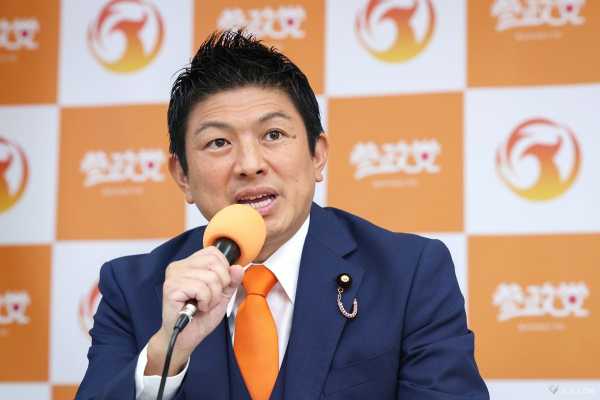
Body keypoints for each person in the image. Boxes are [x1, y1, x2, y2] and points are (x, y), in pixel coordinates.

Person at [76, 30, 489, 400]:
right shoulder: (131, 289)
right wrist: (168, 351)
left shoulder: (409, 273)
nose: (250, 164)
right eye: (218, 142)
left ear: (317, 155)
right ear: (182, 175)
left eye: (273, 135)